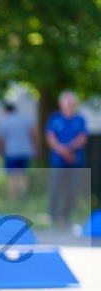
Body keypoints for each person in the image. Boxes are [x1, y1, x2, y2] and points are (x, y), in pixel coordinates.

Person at [45, 91, 88, 229]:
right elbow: (50, 138)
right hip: (58, 161)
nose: (69, 105)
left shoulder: (79, 119)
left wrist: (69, 149)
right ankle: (53, 217)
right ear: (61, 103)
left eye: (71, 102)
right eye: (66, 102)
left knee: (72, 190)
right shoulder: (55, 118)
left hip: (75, 161)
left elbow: (83, 138)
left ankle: (66, 217)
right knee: (55, 188)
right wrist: (63, 151)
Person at [0, 103, 38, 200]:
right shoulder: (25, 119)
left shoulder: (5, 121)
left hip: (11, 153)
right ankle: (23, 197)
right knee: (23, 175)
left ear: (6, 110)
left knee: (11, 176)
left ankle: (13, 199)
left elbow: (1, 139)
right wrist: (35, 148)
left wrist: (0, 151)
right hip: (25, 151)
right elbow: (33, 134)